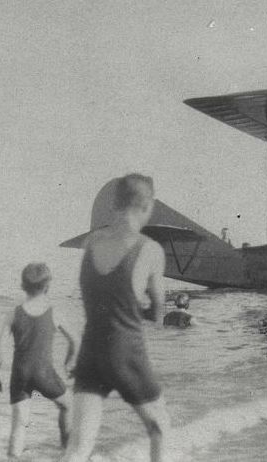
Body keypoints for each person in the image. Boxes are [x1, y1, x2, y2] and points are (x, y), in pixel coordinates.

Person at [63, 174, 171, 462]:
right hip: (126, 352)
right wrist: (140, 308)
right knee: (160, 427)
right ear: (147, 206)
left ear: (114, 204)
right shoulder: (150, 249)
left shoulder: (91, 241)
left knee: (78, 448)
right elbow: (158, 313)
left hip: (90, 352)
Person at [0, 262, 75, 458]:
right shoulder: (53, 311)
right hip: (44, 373)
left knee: (19, 424)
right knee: (68, 405)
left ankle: (13, 458)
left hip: (20, 375)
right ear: (48, 286)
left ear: (22, 286)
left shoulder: (14, 313)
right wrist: (69, 362)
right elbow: (75, 340)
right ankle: (66, 452)